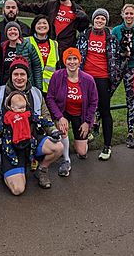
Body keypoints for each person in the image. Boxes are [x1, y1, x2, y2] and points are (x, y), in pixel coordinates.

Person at [0, 56, 63, 194]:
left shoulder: (36, 93)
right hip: (9, 144)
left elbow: (44, 116)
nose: (19, 78)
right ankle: (8, 168)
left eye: (22, 74)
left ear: (28, 76)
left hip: (32, 139)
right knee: (18, 190)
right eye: (15, 74)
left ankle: (41, 170)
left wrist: (53, 131)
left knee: (58, 147)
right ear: (11, 76)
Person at [47, 47, 98, 177]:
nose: (72, 62)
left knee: (81, 152)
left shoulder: (88, 79)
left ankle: (84, 139)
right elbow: (50, 98)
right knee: (62, 128)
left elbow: (93, 102)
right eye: (69, 59)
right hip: (64, 111)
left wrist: (87, 122)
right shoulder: (57, 76)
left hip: (81, 114)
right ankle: (66, 160)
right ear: (64, 61)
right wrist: (59, 117)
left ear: (79, 61)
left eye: (75, 58)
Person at [77, 8, 121, 160]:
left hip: (103, 78)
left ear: (106, 22)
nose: (99, 21)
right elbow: (78, 55)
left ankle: (107, 146)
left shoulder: (111, 38)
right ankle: (83, 140)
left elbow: (116, 59)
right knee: (84, 109)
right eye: (97, 18)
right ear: (93, 20)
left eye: (103, 19)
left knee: (105, 111)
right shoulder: (84, 36)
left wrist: (113, 77)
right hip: (85, 77)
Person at [17, 0, 89, 61]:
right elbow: (35, 7)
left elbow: (83, 29)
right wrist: (19, 6)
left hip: (67, 47)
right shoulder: (51, 5)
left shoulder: (77, 10)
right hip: (50, 45)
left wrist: (85, 19)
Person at [111, 3, 134, 149]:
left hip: (132, 69)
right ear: (122, 14)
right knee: (106, 95)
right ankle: (96, 124)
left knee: (131, 99)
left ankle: (130, 132)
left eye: (131, 13)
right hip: (117, 68)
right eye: (126, 13)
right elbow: (111, 49)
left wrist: (133, 55)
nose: (129, 16)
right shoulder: (116, 30)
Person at [0, 21, 43, 90]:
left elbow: (37, 68)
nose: (12, 32)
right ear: (6, 33)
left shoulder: (28, 47)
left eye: (15, 29)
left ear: (19, 32)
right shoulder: (2, 47)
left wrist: (38, 88)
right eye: (9, 30)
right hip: (7, 86)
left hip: (25, 86)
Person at [27, 15, 59, 95]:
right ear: (34, 26)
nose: (42, 25)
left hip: (50, 88)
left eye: (45, 23)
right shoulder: (27, 41)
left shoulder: (54, 44)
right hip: (31, 86)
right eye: (39, 23)